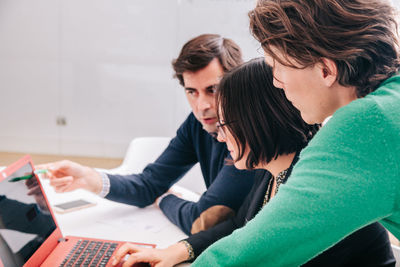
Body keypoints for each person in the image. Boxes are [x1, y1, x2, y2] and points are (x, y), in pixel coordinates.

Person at [110, 59, 395, 267]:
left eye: (225, 126)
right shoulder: (272, 172)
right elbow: (239, 226)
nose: (220, 138)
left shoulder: (317, 181)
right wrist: (179, 250)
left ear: (255, 122)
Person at [191, 0, 400, 266]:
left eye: (277, 67)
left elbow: (250, 254)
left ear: (326, 70)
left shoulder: (367, 125)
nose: (276, 83)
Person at [41, 34, 258, 235]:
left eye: (213, 90)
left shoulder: (252, 133)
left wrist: (165, 198)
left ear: (235, 83)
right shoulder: (197, 124)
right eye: (191, 92)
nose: (201, 106)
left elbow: (203, 221)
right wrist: (90, 178)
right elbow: (149, 184)